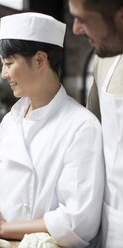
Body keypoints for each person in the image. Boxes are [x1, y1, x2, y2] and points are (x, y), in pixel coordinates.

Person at [0, 12, 105, 247]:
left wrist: (3, 227)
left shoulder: (81, 127)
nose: (4, 74)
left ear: (39, 60)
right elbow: (9, 188)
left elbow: (78, 222)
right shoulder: (12, 119)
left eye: (9, 63)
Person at [68, 0, 123, 246]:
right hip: (115, 226)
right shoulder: (106, 60)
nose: (76, 29)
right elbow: (88, 135)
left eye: (84, 19)